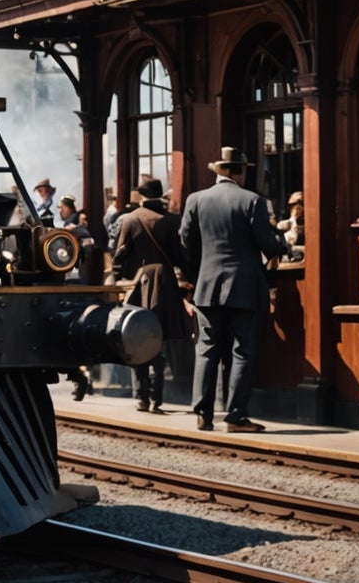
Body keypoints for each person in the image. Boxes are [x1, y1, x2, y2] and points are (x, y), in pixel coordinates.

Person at [178, 147, 288, 433]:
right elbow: (267, 243)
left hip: (207, 287)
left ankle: (203, 413)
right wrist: (280, 246)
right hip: (244, 287)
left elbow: (185, 243)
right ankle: (235, 417)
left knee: (206, 349)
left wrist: (195, 276)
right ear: (237, 171)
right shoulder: (253, 201)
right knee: (243, 351)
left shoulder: (196, 199)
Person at [111, 179, 188, 413]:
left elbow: (120, 255)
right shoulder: (172, 220)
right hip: (166, 285)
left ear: (141, 195)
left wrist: (119, 279)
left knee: (136, 338)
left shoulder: (131, 219)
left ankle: (142, 396)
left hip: (139, 285)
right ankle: (157, 398)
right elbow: (181, 258)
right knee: (161, 342)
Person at [276, 191, 305, 261]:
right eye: (290, 206)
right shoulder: (292, 214)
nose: (291, 208)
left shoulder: (300, 210)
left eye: (294, 204)